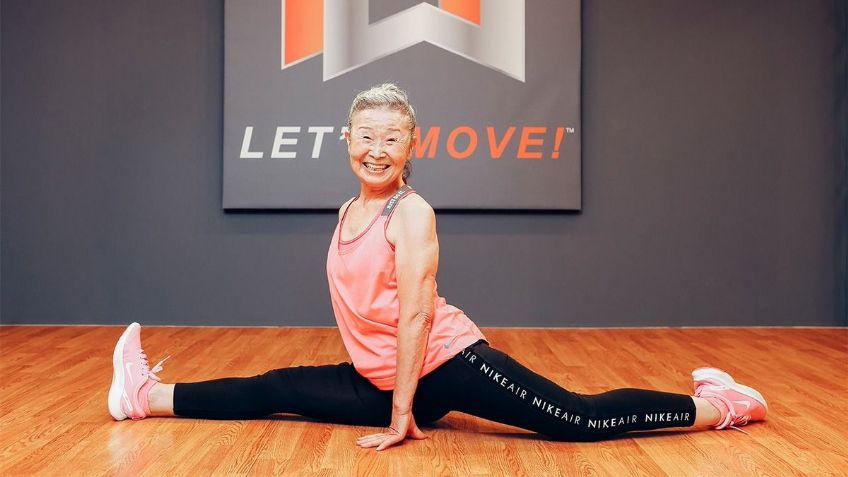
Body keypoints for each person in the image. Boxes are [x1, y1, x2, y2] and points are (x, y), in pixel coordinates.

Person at [107, 83, 766, 450]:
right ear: (347, 141)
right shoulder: (346, 210)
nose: (376, 148)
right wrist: (389, 392)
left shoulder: (411, 212)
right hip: (382, 375)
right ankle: (146, 398)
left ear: (411, 145)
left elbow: (417, 312)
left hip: (444, 363)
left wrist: (401, 413)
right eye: (366, 135)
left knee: (578, 419)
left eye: (391, 137)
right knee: (276, 388)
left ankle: (718, 405)